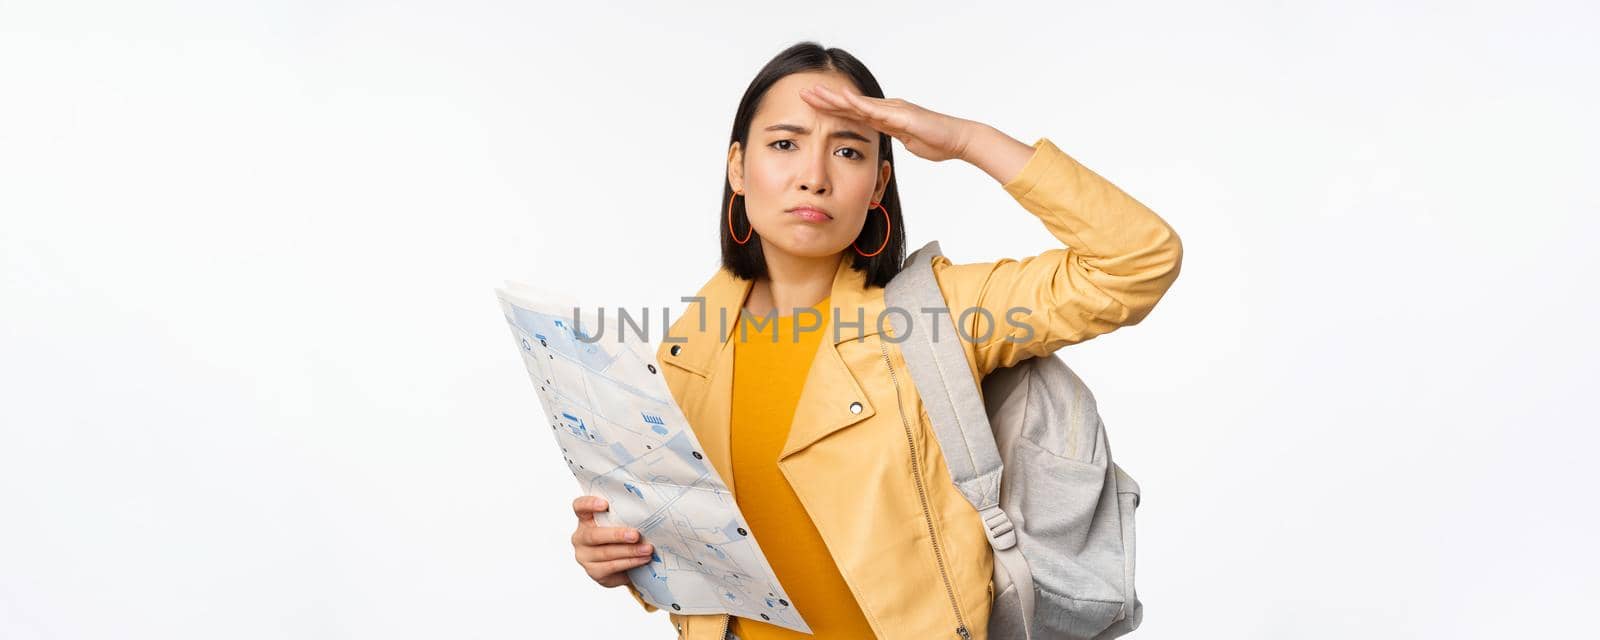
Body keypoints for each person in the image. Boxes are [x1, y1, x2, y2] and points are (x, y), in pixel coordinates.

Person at [567, 41, 1183, 639]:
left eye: (849, 152)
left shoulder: (942, 314)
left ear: (879, 183)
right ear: (738, 167)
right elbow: (705, 553)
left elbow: (1136, 261)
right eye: (784, 144)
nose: (813, 176)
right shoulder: (688, 349)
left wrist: (969, 141)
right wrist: (620, 558)